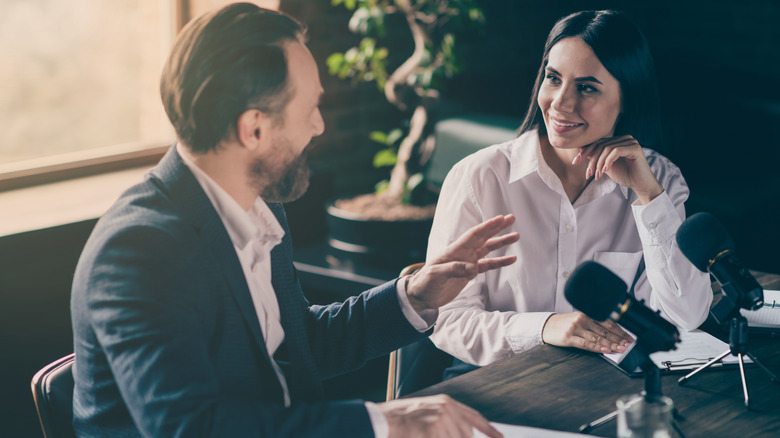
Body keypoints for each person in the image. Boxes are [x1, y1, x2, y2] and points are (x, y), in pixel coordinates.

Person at [70, 3, 519, 437]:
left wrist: (416, 296)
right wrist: (386, 422)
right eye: (309, 110)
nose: (319, 126)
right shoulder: (137, 253)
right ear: (254, 129)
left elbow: (297, 341)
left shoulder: (260, 205)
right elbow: (192, 429)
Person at [426, 10, 713, 370]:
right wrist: (545, 327)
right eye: (553, 78)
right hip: (496, 381)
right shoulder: (478, 178)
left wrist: (647, 196)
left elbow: (687, 315)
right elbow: (447, 321)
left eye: (587, 87)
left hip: (606, 387)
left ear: (627, 99)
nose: (561, 103)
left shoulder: (660, 181)